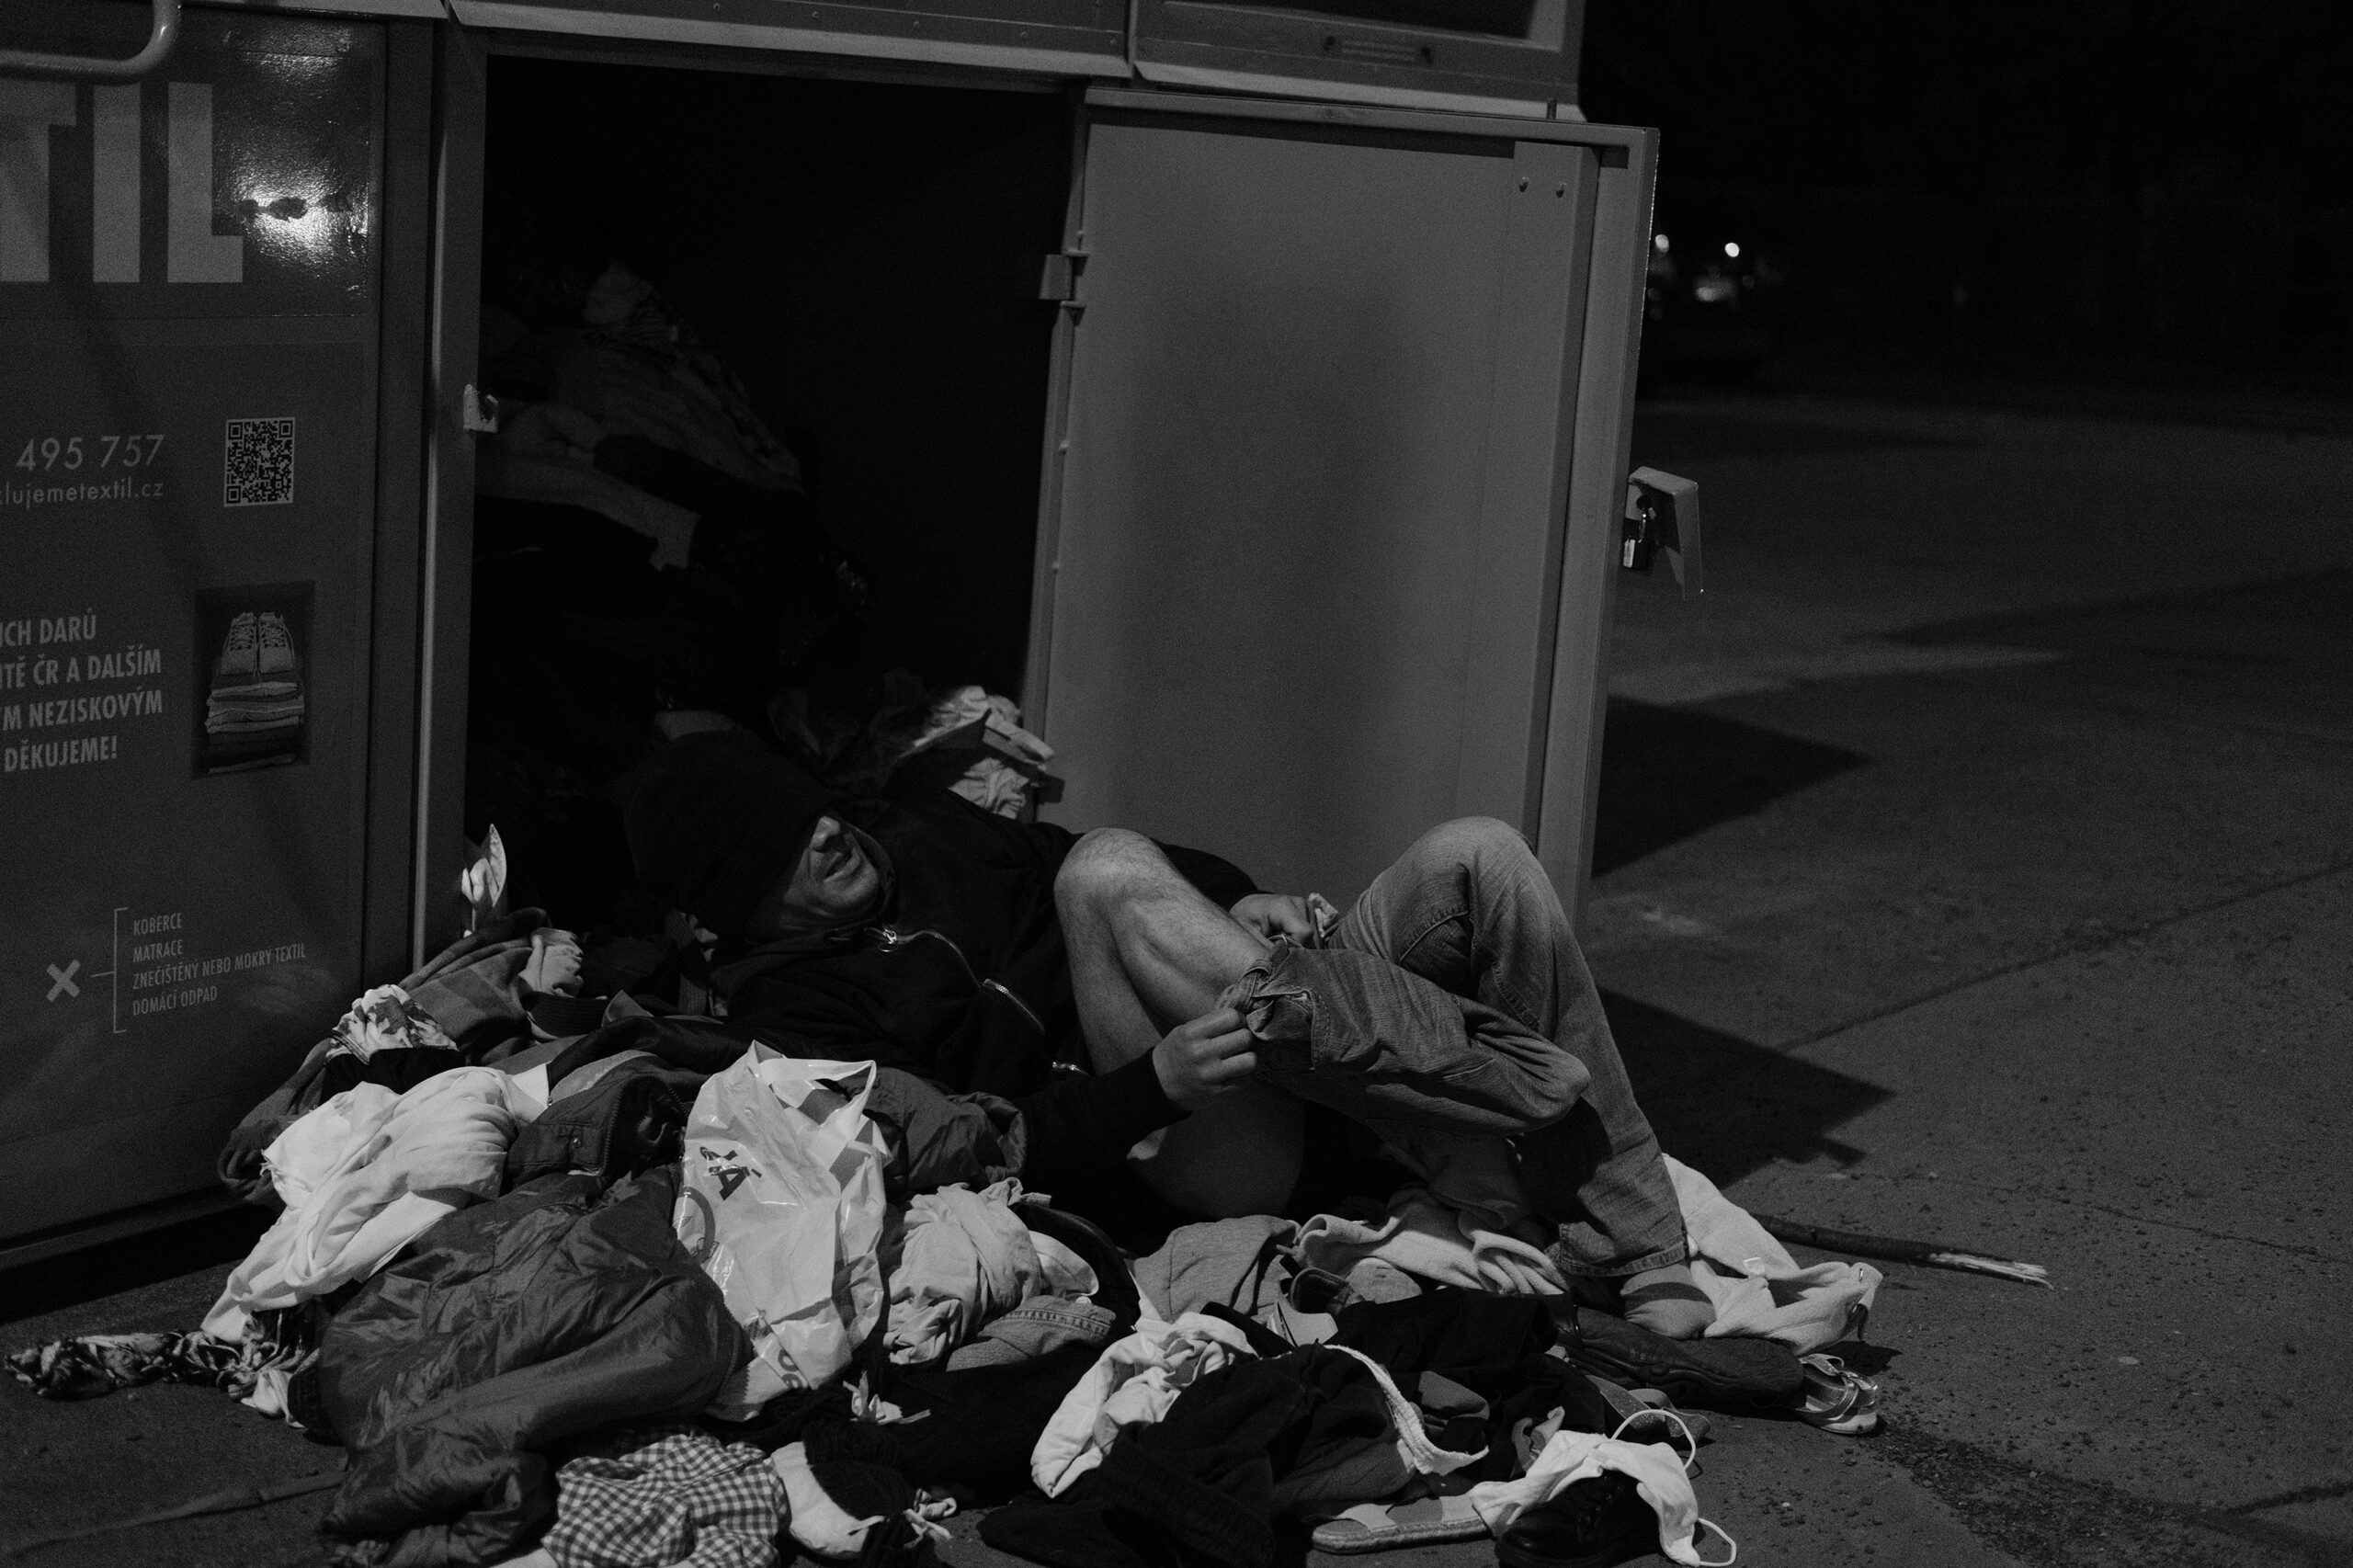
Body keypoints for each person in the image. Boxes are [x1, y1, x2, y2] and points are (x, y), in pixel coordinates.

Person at [626, 729, 1715, 1338]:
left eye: (811, 806)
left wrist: (1237, 900)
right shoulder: (792, 1028)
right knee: (1100, 871)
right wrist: (1152, 1084)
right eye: (784, 842)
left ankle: (1631, 1246)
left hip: (1269, 1028)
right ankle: (1472, 1116)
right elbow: (972, 1145)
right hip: (1190, 1135)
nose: (826, 831)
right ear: (738, 897)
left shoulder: (920, 832)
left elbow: (1153, 873)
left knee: (1479, 855)